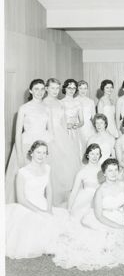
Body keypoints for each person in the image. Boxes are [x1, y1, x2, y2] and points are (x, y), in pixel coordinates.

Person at [52, 158, 124, 271]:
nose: (113, 173)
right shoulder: (100, 190)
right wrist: (118, 226)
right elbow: (99, 216)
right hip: (104, 218)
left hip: (121, 215)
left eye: (115, 170)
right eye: (110, 171)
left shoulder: (123, 185)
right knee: (102, 246)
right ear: (104, 173)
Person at [6, 141, 69, 259]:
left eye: (44, 153)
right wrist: (39, 211)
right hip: (27, 206)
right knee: (35, 223)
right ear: (31, 153)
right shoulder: (22, 172)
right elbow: (21, 199)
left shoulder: (47, 168)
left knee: (57, 219)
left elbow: (49, 190)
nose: (41, 156)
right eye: (38, 152)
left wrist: (49, 208)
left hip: (43, 202)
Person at [5, 79, 52, 203]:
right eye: (36, 89)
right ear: (31, 91)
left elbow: (51, 132)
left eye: (42, 89)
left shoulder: (47, 108)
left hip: (43, 147)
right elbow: (18, 134)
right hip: (26, 147)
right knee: (26, 180)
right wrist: (20, 155)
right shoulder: (24, 108)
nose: (39, 92)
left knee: (41, 181)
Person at [44, 78, 81, 207]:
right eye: (52, 88)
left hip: (62, 134)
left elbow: (63, 121)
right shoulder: (44, 103)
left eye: (57, 88)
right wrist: (51, 139)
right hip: (50, 135)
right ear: (46, 88)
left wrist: (66, 135)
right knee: (54, 166)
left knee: (67, 164)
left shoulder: (59, 103)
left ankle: (65, 196)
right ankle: (51, 197)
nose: (55, 91)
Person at [68, 144, 102, 220]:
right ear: (87, 155)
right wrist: (69, 208)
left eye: (97, 154)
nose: (95, 156)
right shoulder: (82, 172)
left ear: (100, 155)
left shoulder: (103, 169)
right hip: (87, 200)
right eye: (92, 154)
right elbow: (74, 192)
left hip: (101, 198)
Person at [60, 79, 84, 156]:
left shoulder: (78, 103)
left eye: (73, 88)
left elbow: (82, 121)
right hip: (64, 132)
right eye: (69, 88)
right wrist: (66, 125)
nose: (71, 90)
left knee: (76, 152)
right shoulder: (60, 103)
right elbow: (57, 121)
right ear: (65, 88)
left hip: (76, 132)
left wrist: (78, 125)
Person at [75, 80, 96, 146]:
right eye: (81, 88)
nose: (83, 90)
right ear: (77, 89)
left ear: (87, 89)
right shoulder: (74, 100)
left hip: (89, 127)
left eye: (85, 88)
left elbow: (94, 118)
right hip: (78, 127)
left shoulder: (91, 101)